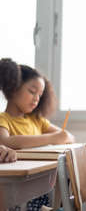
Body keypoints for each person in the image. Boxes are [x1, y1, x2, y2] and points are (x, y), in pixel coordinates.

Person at [0, 57, 75, 211]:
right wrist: (53, 138)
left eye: (40, 95)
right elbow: (5, 141)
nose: (36, 99)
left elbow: (68, 137)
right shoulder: (3, 119)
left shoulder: (37, 120)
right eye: (32, 91)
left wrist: (61, 136)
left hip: (43, 185)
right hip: (18, 191)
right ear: (13, 89)